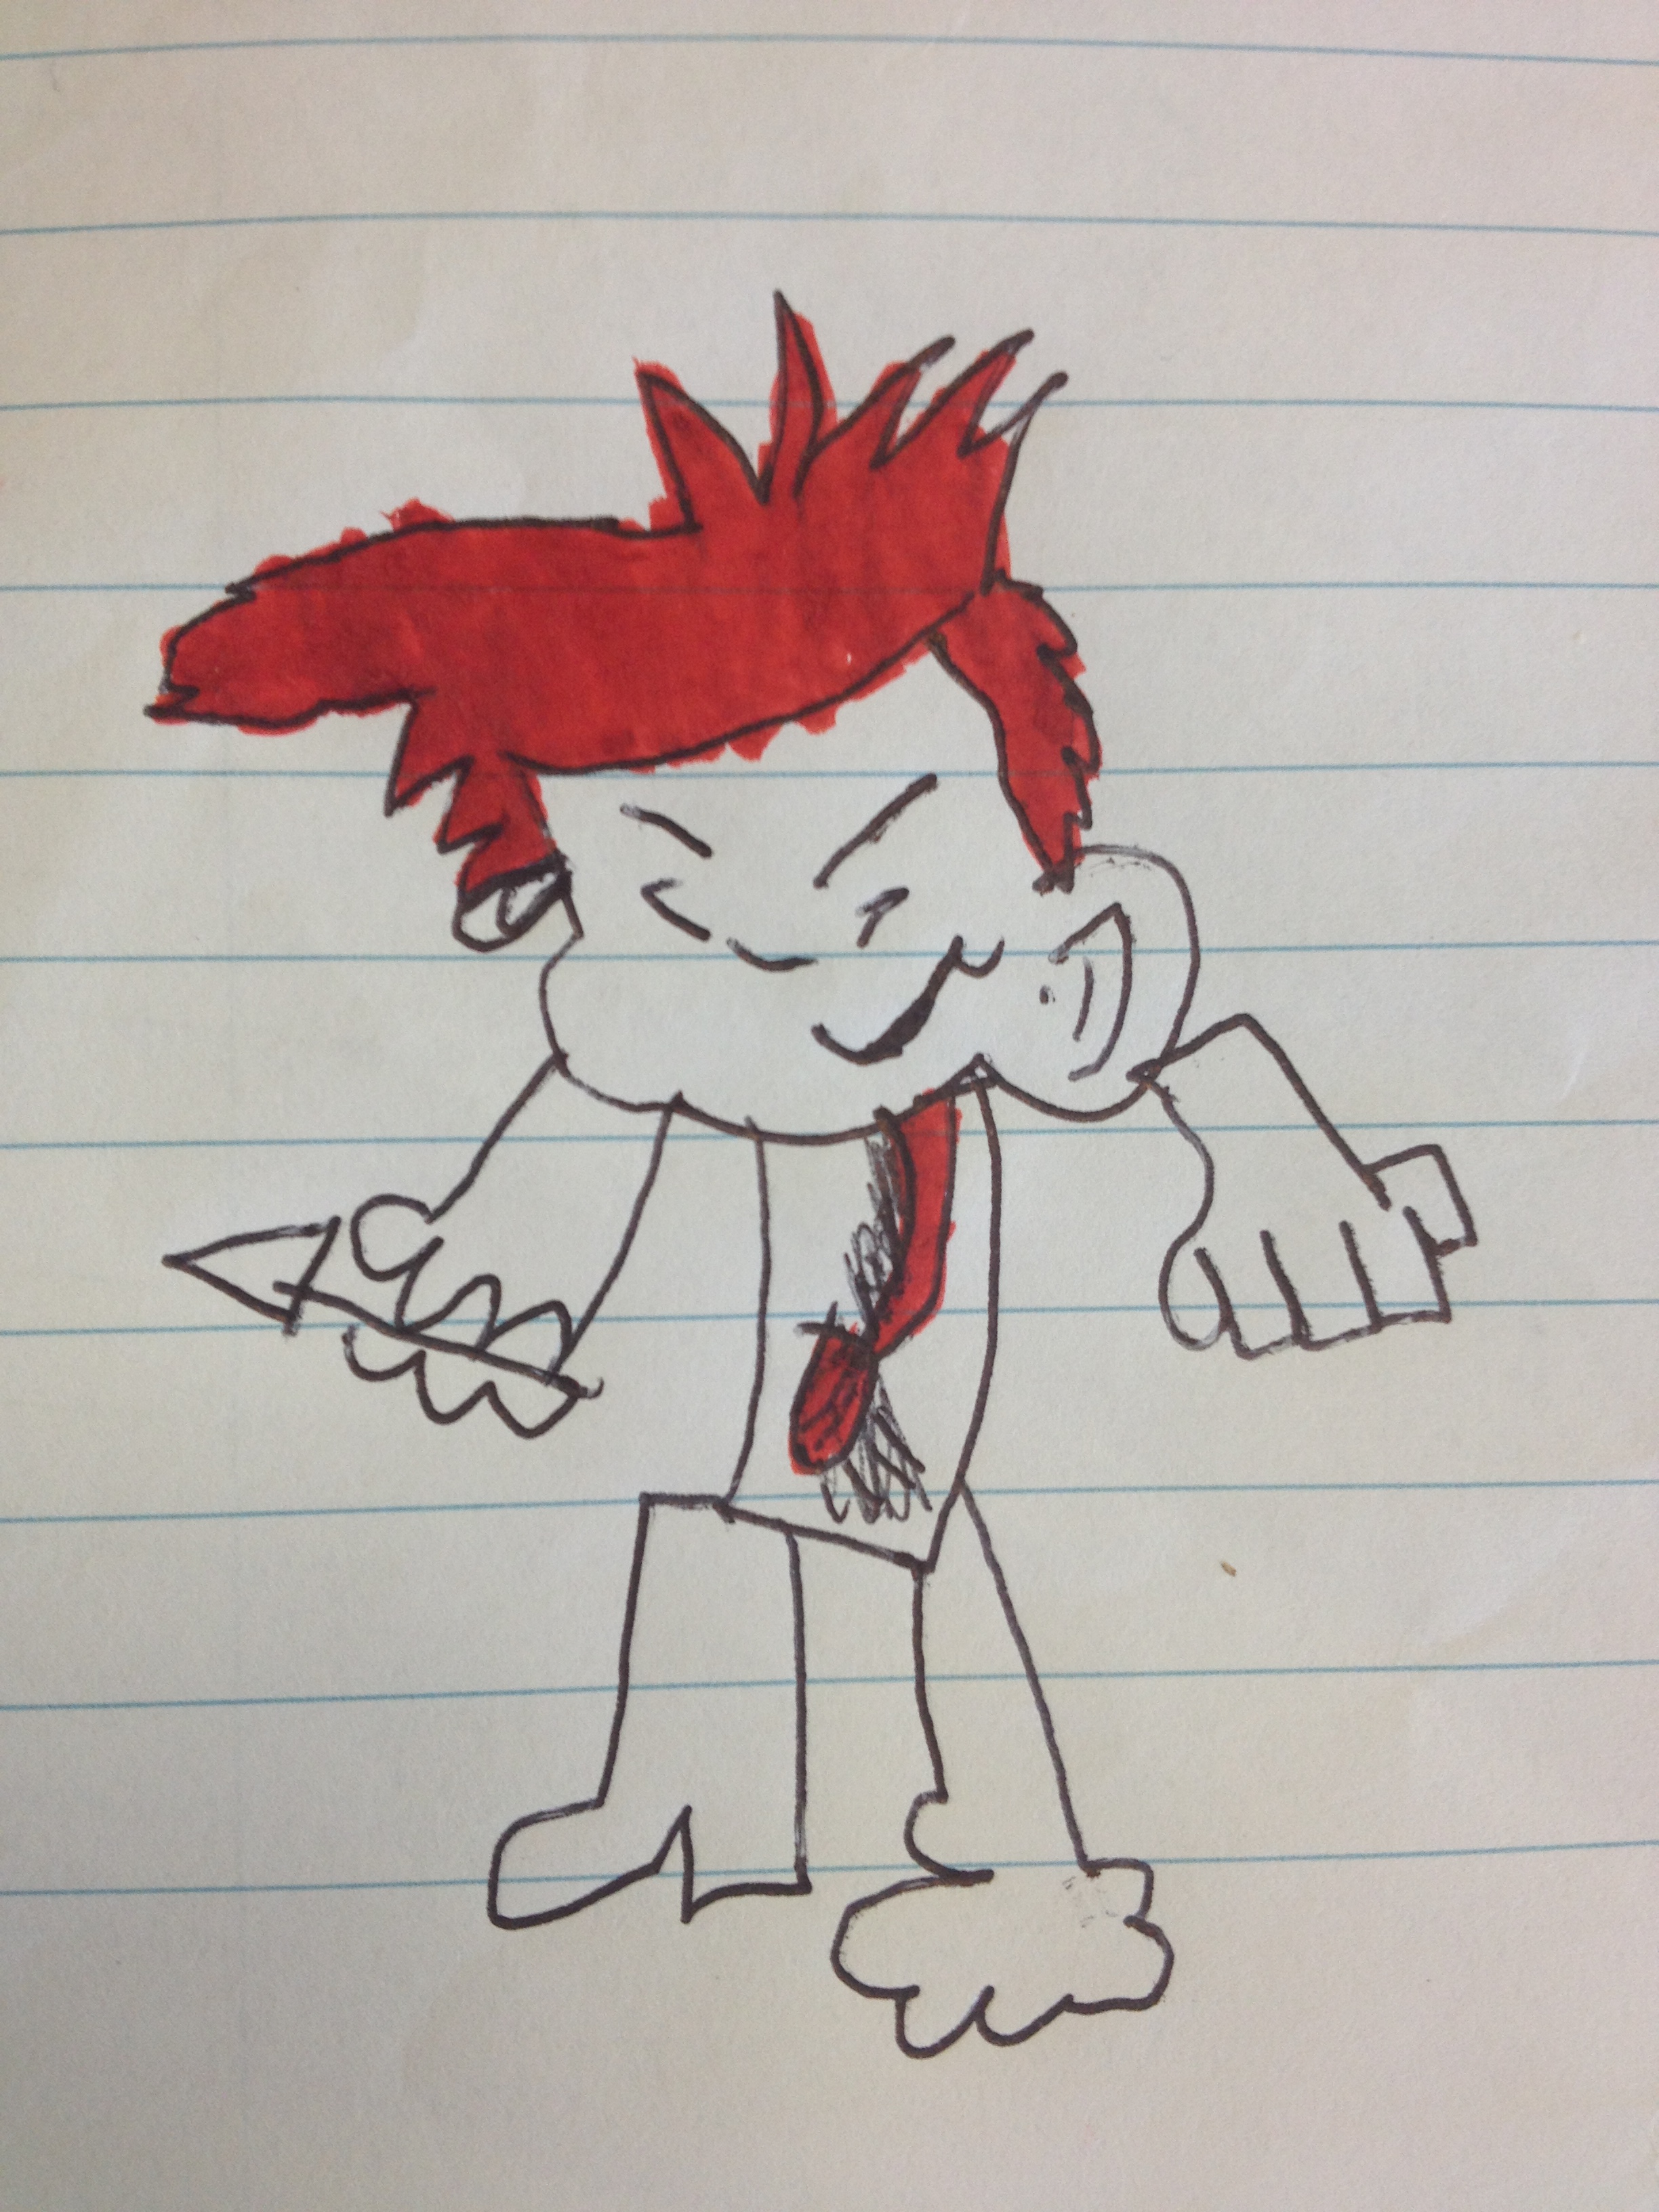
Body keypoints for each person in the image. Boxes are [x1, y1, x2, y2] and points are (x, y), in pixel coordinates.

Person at [152, 298, 1475, 2055]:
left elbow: (1171, 1055)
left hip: (894, 1347)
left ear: (1025, 828)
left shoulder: (1036, 1002)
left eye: (878, 887)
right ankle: (684, 1794)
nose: (780, 951)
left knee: (927, 1558)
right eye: (677, 900)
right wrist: (471, 1264)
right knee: (695, 1517)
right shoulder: (641, 1044)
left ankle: (1030, 1875)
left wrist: (1280, 1175)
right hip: (728, 1337)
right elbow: (556, 1142)